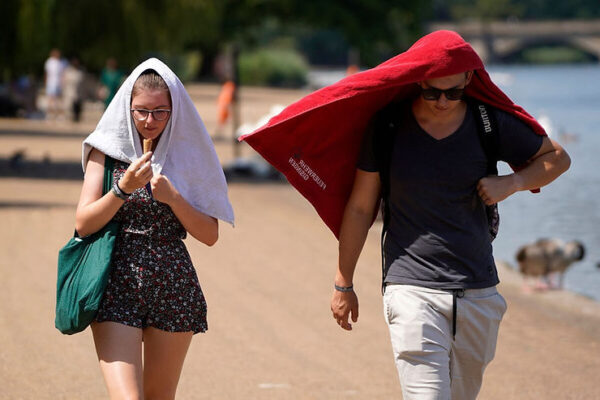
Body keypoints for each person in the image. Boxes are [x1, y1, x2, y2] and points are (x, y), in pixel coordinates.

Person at [330, 38, 571, 398]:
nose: (443, 101)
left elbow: (557, 158)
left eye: (454, 92)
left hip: (478, 292)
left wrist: (514, 181)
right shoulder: (388, 127)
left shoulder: (489, 123)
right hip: (411, 289)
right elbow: (361, 208)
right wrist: (343, 283)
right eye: (432, 93)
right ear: (418, 81)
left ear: (470, 79)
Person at [76, 58, 234, 399]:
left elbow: (210, 235)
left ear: (175, 111)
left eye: (160, 111)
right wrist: (123, 189)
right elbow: (83, 222)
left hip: (173, 284)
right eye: (141, 111)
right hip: (116, 281)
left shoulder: (187, 156)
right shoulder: (106, 151)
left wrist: (174, 198)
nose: (150, 121)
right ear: (126, 108)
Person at [44, 49, 65, 120]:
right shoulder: (49, 62)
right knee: (51, 99)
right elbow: (47, 73)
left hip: (58, 83)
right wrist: (46, 82)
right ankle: (50, 114)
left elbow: (61, 74)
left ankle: (60, 114)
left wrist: (62, 82)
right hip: (51, 82)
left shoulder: (59, 62)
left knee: (59, 100)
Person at [62, 57, 85, 122]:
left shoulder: (80, 72)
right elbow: (64, 81)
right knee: (69, 105)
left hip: (78, 92)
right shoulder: (68, 71)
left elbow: (81, 82)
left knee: (77, 106)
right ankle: (69, 118)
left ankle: (76, 118)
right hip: (69, 91)